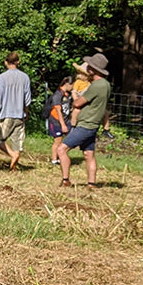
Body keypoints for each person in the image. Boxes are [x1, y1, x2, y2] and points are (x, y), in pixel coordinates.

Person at [59, 53, 111, 189]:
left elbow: (78, 103)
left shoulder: (96, 86)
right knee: (89, 154)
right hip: (94, 124)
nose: (87, 68)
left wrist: (74, 96)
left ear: (93, 70)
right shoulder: (106, 85)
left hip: (86, 125)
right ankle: (91, 183)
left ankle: (65, 180)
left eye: (89, 66)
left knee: (62, 149)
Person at [0, 50, 32, 171]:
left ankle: (12, 155)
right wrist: (26, 112)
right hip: (19, 114)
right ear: (18, 62)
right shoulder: (25, 77)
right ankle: (15, 159)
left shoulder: (2, 77)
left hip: (6, 114)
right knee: (17, 142)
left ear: (6, 62)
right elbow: (27, 99)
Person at [47, 76, 74, 164]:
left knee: (69, 140)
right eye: (72, 85)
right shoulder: (58, 95)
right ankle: (54, 159)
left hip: (66, 120)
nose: (73, 87)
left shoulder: (68, 94)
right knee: (57, 140)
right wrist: (63, 125)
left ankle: (61, 155)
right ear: (67, 84)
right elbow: (58, 111)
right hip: (56, 121)